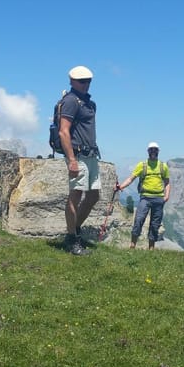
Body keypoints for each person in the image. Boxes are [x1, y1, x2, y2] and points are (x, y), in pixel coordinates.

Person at [59, 65, 101, 256]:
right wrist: (72, 160)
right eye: (82, 81)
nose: (86, 84)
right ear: (72, 81)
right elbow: (63, 131)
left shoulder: (88, 103)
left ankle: (74, 231)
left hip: (90, 154)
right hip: (78, 155)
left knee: (93, 196)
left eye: (88, 81)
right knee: (75, 195)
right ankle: (72, 239)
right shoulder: (70, 101)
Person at [117, 142, 170, 250]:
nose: (153, 152)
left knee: (155, 224)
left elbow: (167, 182)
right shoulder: (142, 165)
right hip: (145, 197)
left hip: (159, 198)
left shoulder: (163, 166)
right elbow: (131, 178)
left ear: (158, 151)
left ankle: (151, 249)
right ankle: (133, 245)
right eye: (151, 150)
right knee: (138, 220)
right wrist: (121, 186)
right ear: (148, 151)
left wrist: (166, 196)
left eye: (155, 150)